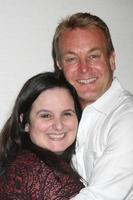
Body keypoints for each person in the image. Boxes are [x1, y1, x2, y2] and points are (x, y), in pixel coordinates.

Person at [52, 12, 133, 199]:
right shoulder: (64, 117)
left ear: (112, 60)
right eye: (72, 59)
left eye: (93, 56)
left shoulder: (127, 119)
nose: (84, 69)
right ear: (59, 66)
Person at [0, 72, 84, 199]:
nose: (59, 126)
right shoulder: (41, 172)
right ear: (25, 122)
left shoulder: (20, 162)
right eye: (46, 115)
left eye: (67, 114)